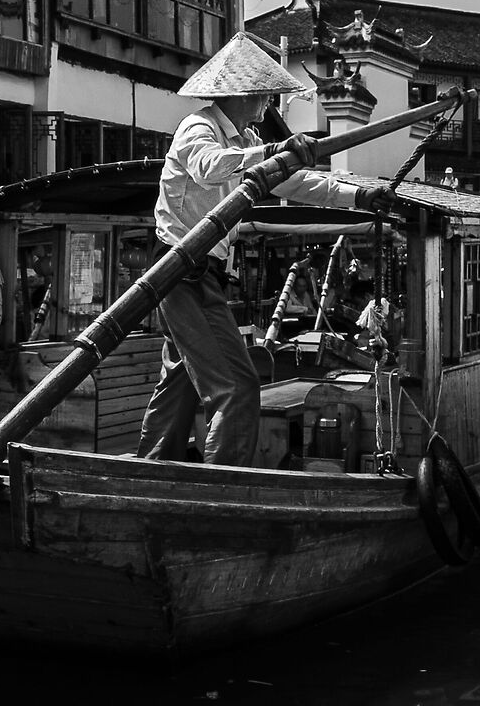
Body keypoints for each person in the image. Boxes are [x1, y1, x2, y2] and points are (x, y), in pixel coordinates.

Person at [137, 35, 392, 468]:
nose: (268, 102)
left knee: (180, 381)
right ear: (243, 94)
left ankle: (153, 467)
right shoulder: (198, 128)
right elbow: (209, 166)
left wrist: (359, 196)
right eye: (264, 94)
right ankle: (222, 483)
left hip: (202, 272)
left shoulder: (246, 137)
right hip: (181, 270)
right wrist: (274, 151)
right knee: (237, 387)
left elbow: (296, 182)